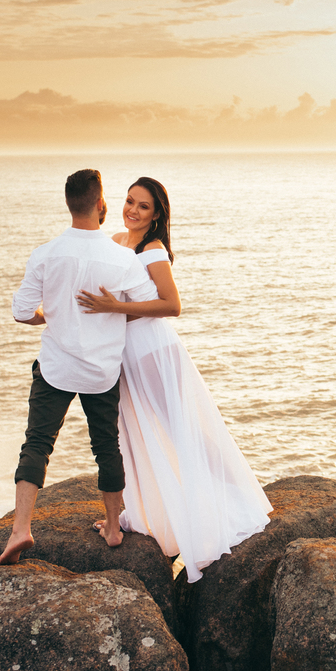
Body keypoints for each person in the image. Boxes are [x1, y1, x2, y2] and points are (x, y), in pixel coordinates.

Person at [75, 177, 272, 581]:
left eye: (143, 206)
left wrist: (113, 307)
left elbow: (172, 304)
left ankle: (232, 501)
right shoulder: (115, 240)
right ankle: (143, 514)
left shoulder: (153, 249)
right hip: (126, 353)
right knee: (138, 433)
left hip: (153, 352)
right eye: (129, 201)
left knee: (183, 431)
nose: (133, 209)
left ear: (157, 214)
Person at [0, 169, 159, 565]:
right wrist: (111, 316)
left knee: (37, 442)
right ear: (101, 205)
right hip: (101, 370)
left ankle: (21, 530)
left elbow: (21, 313)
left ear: (69, 205)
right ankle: (112, 527)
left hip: (55, 366)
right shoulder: (121, 258)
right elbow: (148, 307)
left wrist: (49, 316)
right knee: (106, 446)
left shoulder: (45, 253)